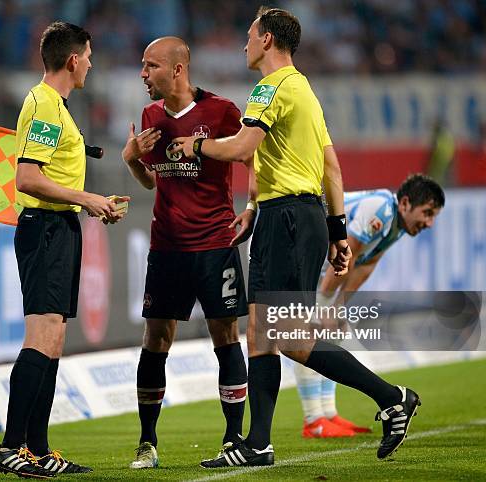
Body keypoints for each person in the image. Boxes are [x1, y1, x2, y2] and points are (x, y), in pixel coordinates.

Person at [172, 7, 422, 466]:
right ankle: (259, 444)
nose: (244, 43)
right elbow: (330, 166)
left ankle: (391, 397)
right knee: (261, 335)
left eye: (249, 35)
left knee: (284, 335)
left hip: (287, 217)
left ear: (267, 39)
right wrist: (333, 229)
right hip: (294, 215)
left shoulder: (270, 87)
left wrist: (199, 146)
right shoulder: (304, 89)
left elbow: (244, 148)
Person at [0, 21, 127, 478]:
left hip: (59, 226)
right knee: (42, 336)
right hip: (44, 228)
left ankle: (37, 448)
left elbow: (50, 176)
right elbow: (27, 177)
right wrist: (87, 198)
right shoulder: (46, 106)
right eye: (88, 55)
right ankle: (11, 447)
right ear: (73, 59)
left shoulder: (57, 107)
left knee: (54, 339)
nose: (90, 62)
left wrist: (88, 204)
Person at [121, 36, 255, 469]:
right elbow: (151, 180)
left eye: (151, 66)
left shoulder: (221, 111)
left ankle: (233, 438)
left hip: (215, 245)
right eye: (143, 66)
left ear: (177, 69)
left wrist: (251, 206)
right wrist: (131, 161)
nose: (143, 74)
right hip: (168, 247)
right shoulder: (149, 115)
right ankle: (146, 443)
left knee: (226, 337)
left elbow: (254, 158)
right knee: (156, 339)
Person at [295, 174, 445, 439]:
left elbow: (365, 266)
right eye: (428, 213)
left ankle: (328, 414)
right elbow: (345, 253)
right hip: (297, 255)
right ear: (406, 203)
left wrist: (338, 306)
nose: (430, 223)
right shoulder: (381, 210)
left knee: (333, 331)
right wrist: (325, 304)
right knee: (307, 333)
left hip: (315, 265)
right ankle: (313, 420)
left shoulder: (396, 225)